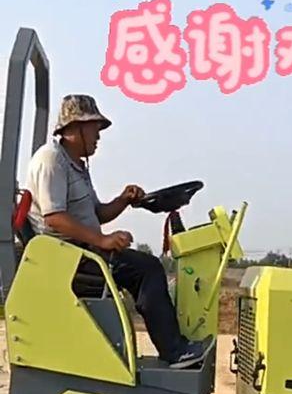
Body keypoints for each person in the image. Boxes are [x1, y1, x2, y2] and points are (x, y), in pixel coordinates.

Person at [25, 94, 213, 370]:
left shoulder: (76, 165)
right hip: (69, 259)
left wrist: (124, 199)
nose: (99, 136)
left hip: (82, 251)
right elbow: (55, 219)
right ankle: (175, 352)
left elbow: (98, 214)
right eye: (95, 128)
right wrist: (102, 240)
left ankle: (174, 346)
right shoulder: (51, 160)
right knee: (147, 269)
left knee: (143, 266)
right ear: (75, 128)